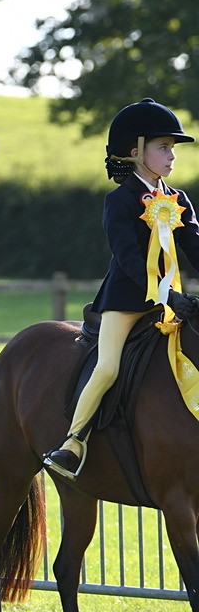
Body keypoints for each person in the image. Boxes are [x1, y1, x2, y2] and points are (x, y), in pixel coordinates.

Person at [44, 98, 199, 479]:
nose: (172, 156)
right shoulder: (120, 201)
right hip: (127, 302)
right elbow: (128, 260)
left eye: (173, 149)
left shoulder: (176, 199)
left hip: (171, 303)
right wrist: (166, 296)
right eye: (163, 147)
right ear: (136, 152)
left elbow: (195, 244)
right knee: (108, 367)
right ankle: (73, 443)